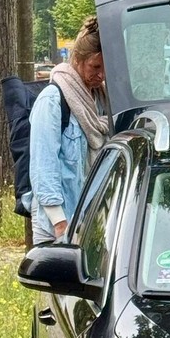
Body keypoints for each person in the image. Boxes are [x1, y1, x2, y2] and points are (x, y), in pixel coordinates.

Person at [28, 16, 109, 245]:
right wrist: (60, 224)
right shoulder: (53, 100)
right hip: (58, 224)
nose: (101, 75)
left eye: (105, 68)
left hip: (91, 220)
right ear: (78, 59)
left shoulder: (102, 100)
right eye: (95, 67)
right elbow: (43, 167)